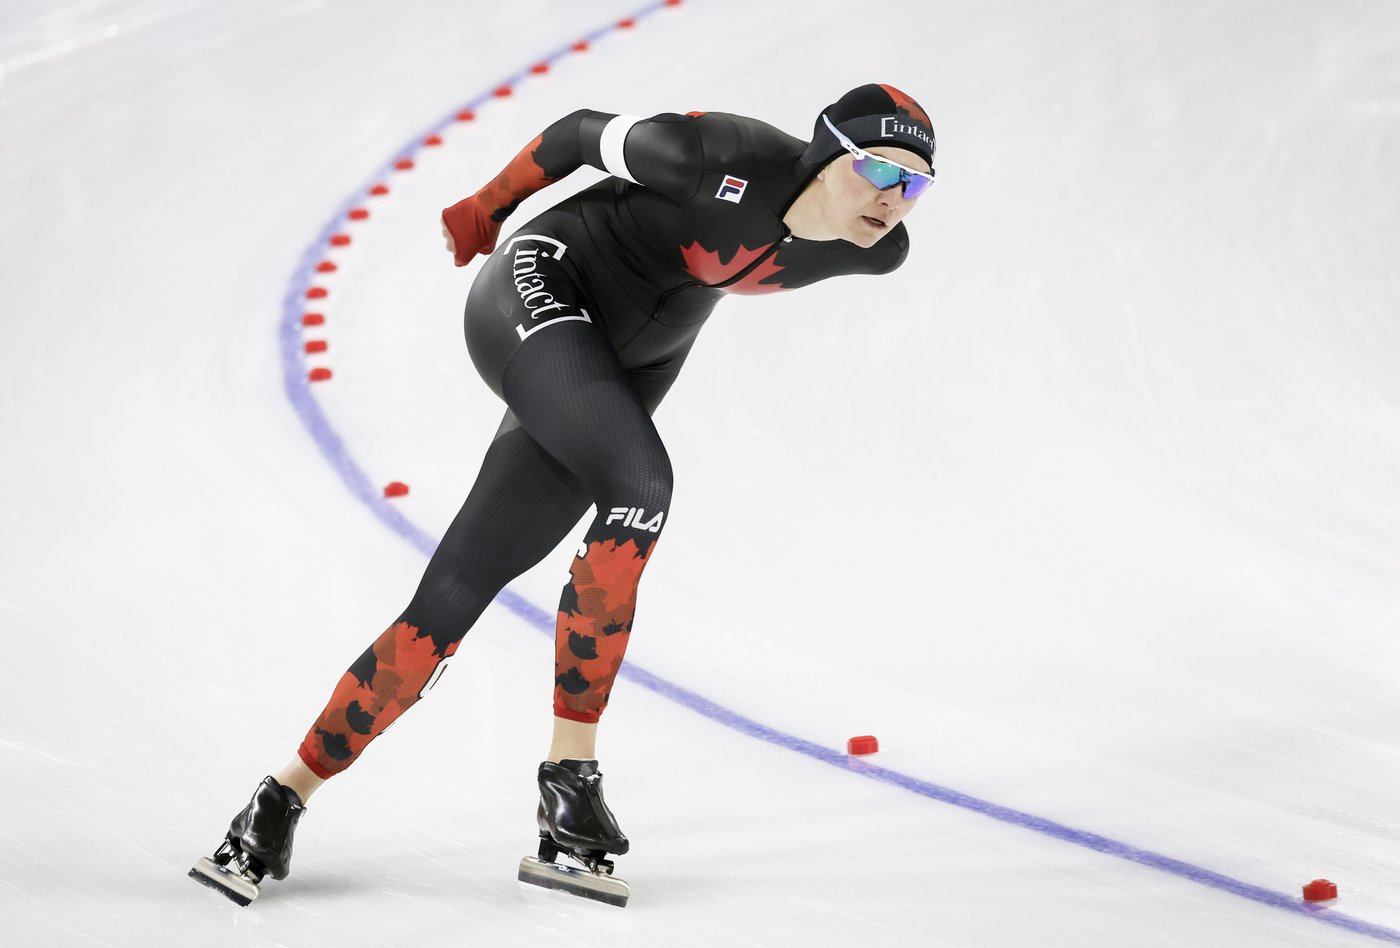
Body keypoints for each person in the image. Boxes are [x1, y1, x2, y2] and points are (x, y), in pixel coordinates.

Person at [190, 83, 936, 907]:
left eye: (916, 183)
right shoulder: (718, 155)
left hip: (632, 364)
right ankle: (571, 780)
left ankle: (278, 798)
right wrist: (485, 207)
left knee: (459, 585)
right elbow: (580, 131)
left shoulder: (875, 250)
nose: (894, 198)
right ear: (826, 154)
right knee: (642, 486)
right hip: (539, 289)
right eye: (879, 169)